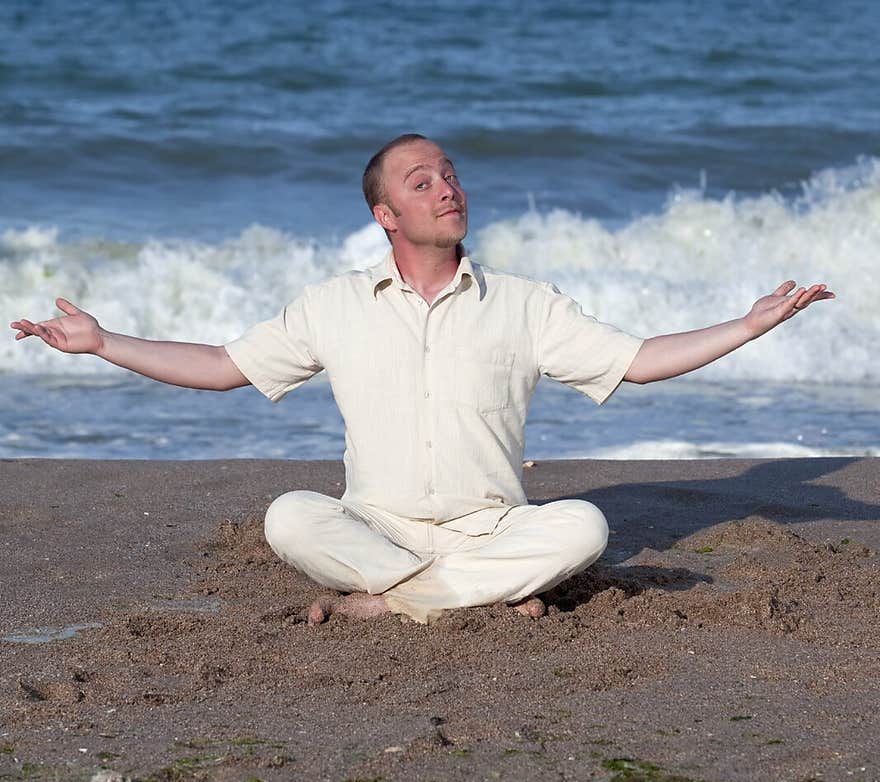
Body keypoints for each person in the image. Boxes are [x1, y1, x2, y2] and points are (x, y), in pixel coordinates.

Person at [11, 133, 834, 626]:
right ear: (386, 217)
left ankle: (391, 607)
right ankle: (463, 601)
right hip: (378, 529)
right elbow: (223, 367)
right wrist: (102, 341)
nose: (448, 188)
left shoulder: (523, 304)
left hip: (492, 529)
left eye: (451, 175)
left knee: (581, 526)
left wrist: (749, 324)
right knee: (290, 516)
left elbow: (640, 360)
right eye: (423, 183)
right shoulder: (334, 305)